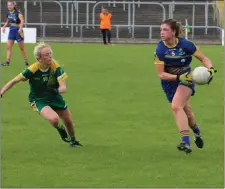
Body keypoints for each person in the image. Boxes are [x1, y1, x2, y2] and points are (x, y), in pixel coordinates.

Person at [0, 42, 82, 147]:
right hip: (39, 99)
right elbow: (14, 81)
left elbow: (63, 87)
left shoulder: (56, 67)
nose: (50, 56)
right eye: (47, 55)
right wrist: (2, 92)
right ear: (39, 58)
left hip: (54, 97)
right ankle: (60, 129)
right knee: (54, 119)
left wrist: (56, 91)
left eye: (50, 53)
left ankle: (73, 141)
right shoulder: (32, 70)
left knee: (69, 122)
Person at [154, 19, 216, 154]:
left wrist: (210, 69)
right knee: (186, 110)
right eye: (161, 30)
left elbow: (204, 58)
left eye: (165, 30)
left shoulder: (186, 45)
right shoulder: (160, 49)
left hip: (187, 79)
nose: (161, 33)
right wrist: (177, 77)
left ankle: (186, 142)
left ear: (174, 32)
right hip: (169, 82)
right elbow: (161, 74)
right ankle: (197, 132)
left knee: (176, 106)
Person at [1, 1, 29, 66]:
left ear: (13, 5)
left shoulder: (18, 13)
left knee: (21, 48)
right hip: (11, 31)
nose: (9, 6)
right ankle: (7, 62)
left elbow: (22, 21)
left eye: (10, 5)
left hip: (18, 31)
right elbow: (8, 21)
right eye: (8, 5)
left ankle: (26, 61)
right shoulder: (8, 13)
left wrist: (20, 28)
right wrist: (4, 26)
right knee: (8, 47)